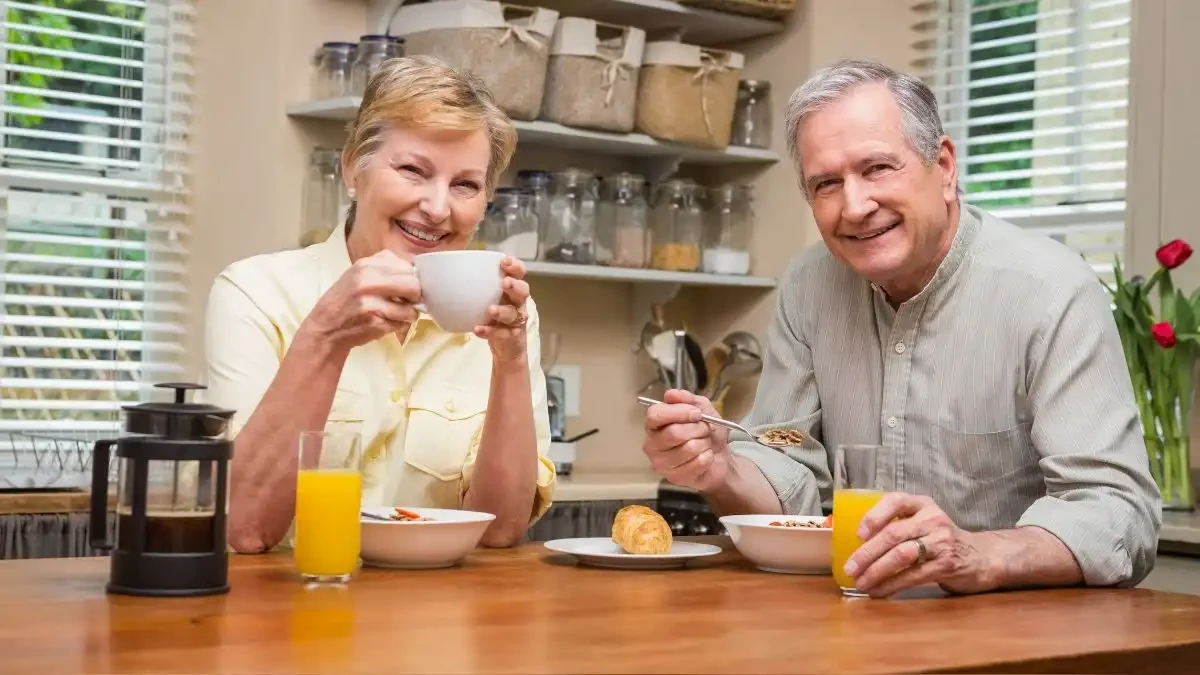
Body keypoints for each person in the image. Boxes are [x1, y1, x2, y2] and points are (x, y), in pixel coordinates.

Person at [641, 58, 1162, 597]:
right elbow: (784, 455)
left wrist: (978, 555)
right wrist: (719, 467)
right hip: (850, 623)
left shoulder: (1050, 290)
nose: (855, 206)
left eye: (877, 169)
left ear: (944, 166)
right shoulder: (808, 285)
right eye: (826, 183)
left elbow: (1119, 513)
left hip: (1014, 634)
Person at [204, 56, 555, 553]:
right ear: (352, 168)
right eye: (413, 170)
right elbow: (246, 530)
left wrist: (511, 360)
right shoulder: (254, 292)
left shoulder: (504, 317)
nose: (437, 208)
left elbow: (499, 531)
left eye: (465, 185)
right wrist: (325, 335)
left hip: (435, 621)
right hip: (291, 614)